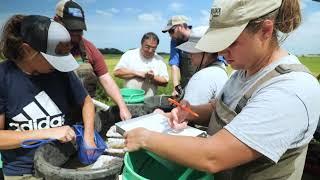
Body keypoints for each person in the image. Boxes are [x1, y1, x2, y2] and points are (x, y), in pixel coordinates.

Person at [124, 0, 320, 179]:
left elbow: (213, 156)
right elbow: (219, 106)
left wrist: (146, 138)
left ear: (265, 31)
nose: (221, 52)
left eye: (231, 41)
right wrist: (189, 113)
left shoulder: (291, 89)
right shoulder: (244, 71)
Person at [0, 15, 96, 179]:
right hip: (24, 171)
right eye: (53, 59)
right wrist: (48, 132)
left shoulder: (60, 73)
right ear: (27, 50)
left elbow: (86, 101)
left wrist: (88, 136)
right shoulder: (4, 77)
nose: (58, 65)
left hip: (62, 160)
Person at [54, 0, 131, 120]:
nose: (76, 34)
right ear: (56, 21)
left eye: (79, 29)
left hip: (86, 115)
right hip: (55, 116)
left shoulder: (88, 48)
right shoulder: (42, 48)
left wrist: (122, 107)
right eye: (71, 29)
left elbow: (105, 79)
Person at [176, 26, 228, 105]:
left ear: (207, 52)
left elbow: (185, 115)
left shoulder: (202, 77)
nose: (189, 55)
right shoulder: (220, 69)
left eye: (192, 51)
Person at [114, 32, 169, 97]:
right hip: (130, 99)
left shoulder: (160, 60)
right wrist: (138, 74)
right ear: (141, 44)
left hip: (149, 101)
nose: (150, 50)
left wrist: (152, 78)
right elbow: (117, 72)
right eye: (147, 47)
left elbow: (165, 82)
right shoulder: (129, 54)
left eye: (153, 48)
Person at [162, 15, 195, 97]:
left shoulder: (198, 36)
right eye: (169, 33)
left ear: (180, 27)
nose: (170, 35)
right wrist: (176, 88)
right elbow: (174, 64)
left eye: (171, 31)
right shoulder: (175, 40)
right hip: (186, 85)